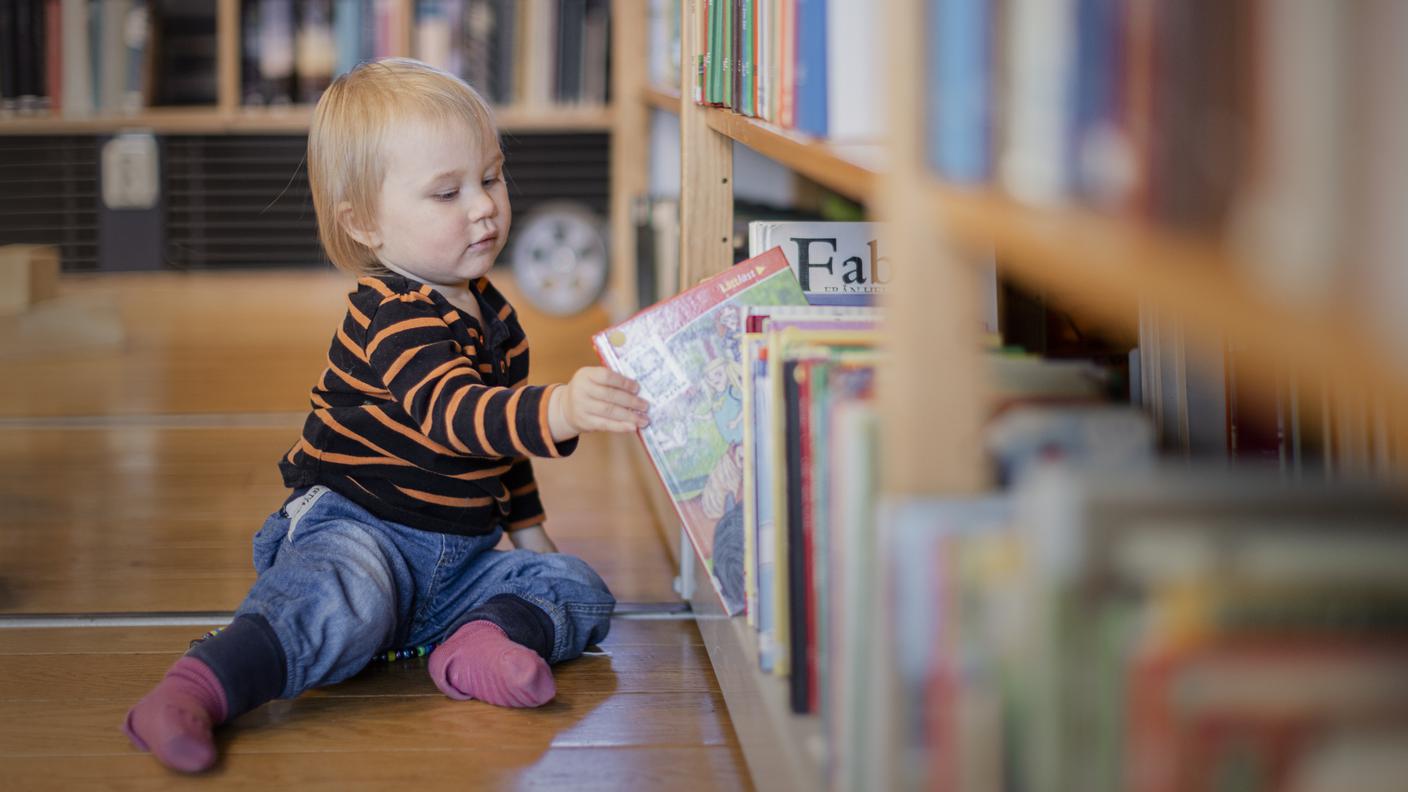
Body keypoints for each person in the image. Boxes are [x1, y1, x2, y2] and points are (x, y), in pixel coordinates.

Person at [122, 58, 650, 774]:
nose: (484, 206)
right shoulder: (391, 316)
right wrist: (559, 407)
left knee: (577, 587)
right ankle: (200, 688)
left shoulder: (494, 316)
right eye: (446, 192)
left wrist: (532, 538)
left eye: (491, 177)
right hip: (360, 534)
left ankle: (479, 643)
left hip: (454, 569)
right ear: (364, 224)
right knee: (342, 599)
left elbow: (500, 455)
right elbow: (456, 416)